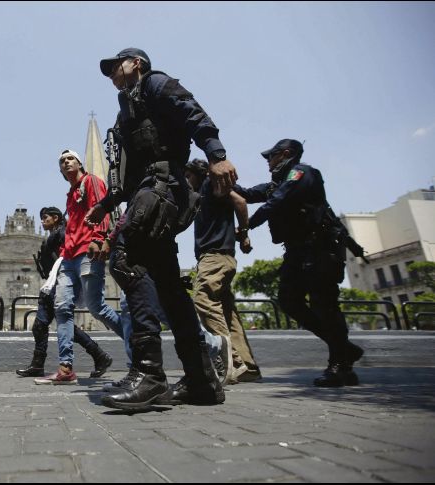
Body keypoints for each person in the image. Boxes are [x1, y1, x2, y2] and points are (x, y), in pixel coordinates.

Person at [86, 48, 235, 410]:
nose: (111, 73)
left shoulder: (154, 83)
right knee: (168, 287)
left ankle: (150, 374)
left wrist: (216, 155)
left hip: (163, 186)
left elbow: (192, 112)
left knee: (125, 259)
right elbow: (128, 169)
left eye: (116, 66)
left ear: (136, 63)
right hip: (148, 190)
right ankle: (201, 381)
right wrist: (107, 204)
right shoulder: (127, 107)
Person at [236, 139, 364, 387]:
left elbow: (277, 201)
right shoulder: (277, 183)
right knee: (288, 300)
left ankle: (341, 366)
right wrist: (215, 174)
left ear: (285, 154)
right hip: (297, 251)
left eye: (271, 156)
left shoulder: (302, 173)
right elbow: (248, 194)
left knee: (324, 305)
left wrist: (245, 227)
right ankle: (344, 348)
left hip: (320, 249)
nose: (268, 162)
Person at [35, 149, 131, 385]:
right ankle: (66, 368)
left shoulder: (91, 182)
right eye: (62, 161)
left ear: (80, 163)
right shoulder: (70, 194)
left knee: (97, 308)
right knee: (62, 308)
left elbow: (102, 209)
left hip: (88, 252)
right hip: (69, 258)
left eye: (71, 159)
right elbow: (73, 226)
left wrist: (98, 239)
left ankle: (137, 344)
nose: (66, 162)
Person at [185, 158, 262, 384]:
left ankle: (232, 362)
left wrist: (244, 233)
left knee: (203, 298)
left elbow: (240, 201)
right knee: (227, 312)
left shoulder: (209, 185)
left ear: (198, 174)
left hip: (215, 257)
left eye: (188, 176)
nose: (186, 181)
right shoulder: (201, 195)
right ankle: (247, 366)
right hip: (220, 258)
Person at [16, 206, 113, 379]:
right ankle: (38, 365)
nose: (43, 221)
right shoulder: (56, 234)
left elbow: (68, 249)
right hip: (53, 282)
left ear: (56, 218)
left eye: (46, 217)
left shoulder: (63, 232)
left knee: (61, 324)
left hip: (60, 282)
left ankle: (99, 356)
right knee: (42, 325)